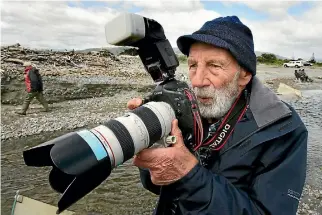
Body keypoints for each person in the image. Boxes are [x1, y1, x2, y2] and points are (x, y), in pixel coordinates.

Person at [127, 16, 308, 215]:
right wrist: (154, 143)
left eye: (214, 66)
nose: (197, 81)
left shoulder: (282, 129)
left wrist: (189, 176)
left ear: (244, 74)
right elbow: (158, 187)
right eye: (193, 65)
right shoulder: (186, 108)